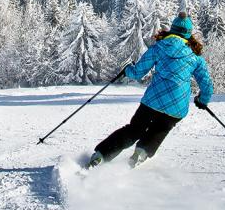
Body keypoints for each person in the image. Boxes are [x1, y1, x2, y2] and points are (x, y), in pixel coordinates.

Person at [87, 11, 213, 169]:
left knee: (134, 130)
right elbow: (207, 83)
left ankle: (101, 156)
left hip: (153, 101)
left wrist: (128, 70)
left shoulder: (158, 48)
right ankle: (141, 153)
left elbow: (139, 72)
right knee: (161, 129)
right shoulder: (196, 58)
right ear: (188, 34)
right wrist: (203, 100)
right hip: (177, 106)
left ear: (172, 29)